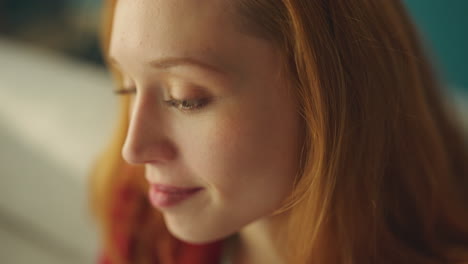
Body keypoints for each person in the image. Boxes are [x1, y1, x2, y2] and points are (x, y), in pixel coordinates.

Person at [90, 0, 468, 263]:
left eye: (186, 98)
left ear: (329, 98)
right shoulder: (142, 220)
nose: (133, 150)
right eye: (129, 86)